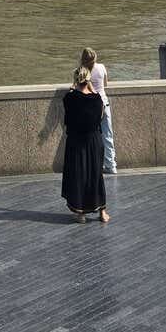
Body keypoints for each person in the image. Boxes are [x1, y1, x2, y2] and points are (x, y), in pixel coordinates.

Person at [61, 66, 109, 224]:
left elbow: (67, 118)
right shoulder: (97, 99)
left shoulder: (70, 98)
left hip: (76, 141)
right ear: (89, 80)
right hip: (94, 141)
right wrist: (92, 89)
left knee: (78, 175)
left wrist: (73, 88)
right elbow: (100, 117)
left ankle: (80, 213)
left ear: (76, 80)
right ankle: (102, 212)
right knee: (96, 175)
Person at [79, 47, 116, 175]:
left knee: (89, 136)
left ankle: (91, 165)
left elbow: (79, 88)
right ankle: (111, 165)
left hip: (90, 106)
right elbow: (105, 85)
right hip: (104, 103)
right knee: (107, 135)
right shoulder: (101, 67)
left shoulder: (82, 71)